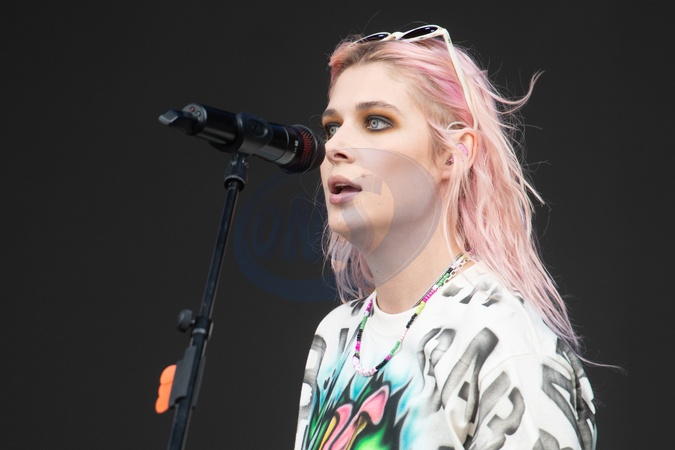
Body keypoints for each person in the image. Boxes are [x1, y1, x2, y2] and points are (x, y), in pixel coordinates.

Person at [294, 23, 596, 450]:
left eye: (376, 122)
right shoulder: (336, 336)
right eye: (331, 127)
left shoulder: (499, 335)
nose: (335, 147)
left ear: (453, 155)